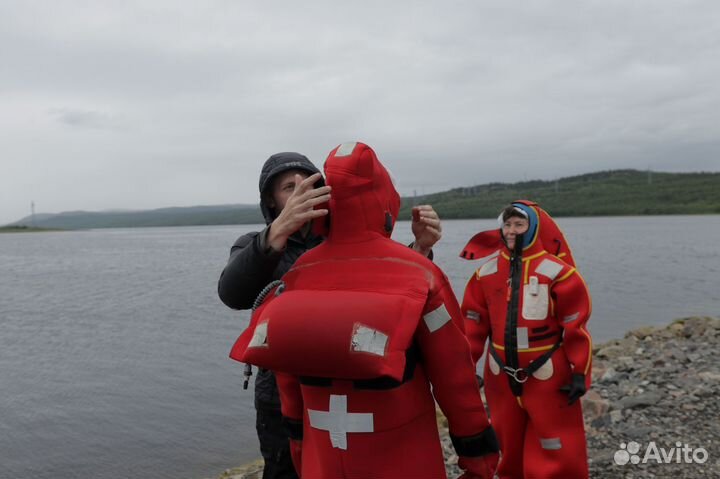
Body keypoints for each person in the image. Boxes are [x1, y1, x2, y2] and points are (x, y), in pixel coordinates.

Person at [229, 142, 499, 479]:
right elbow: (454, 374)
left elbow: (291, 384)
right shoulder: (259, 245)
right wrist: (478, 453)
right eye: (289, 187)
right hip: (396, 449)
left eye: (309, 185)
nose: (302, 193)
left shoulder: (301, 274)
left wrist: (301, 445)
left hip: (320, 445)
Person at [459, 200, 592, 478]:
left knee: (555, 441)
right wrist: (466, 367)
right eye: (507, 224)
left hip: (547, 373)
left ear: (533, 228)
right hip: (499, 373)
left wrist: (580, 372)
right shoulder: (485, 274)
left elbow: (575, 326)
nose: (511, 230)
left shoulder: (558, 273)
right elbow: (472, 324)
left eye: (519, 224)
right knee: (506, 437)